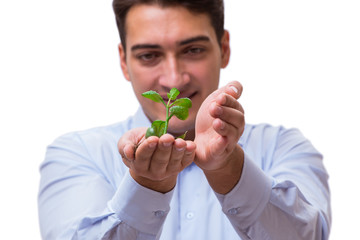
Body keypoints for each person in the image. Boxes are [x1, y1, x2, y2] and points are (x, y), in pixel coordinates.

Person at [38, 0, 331, 239]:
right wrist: (145, 186)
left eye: (193, 50)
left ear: (224, 48)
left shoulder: (283, 147)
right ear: (124, 61)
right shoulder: (77, 154)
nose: (174, 78)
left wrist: (228, 167)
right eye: (149, 55)